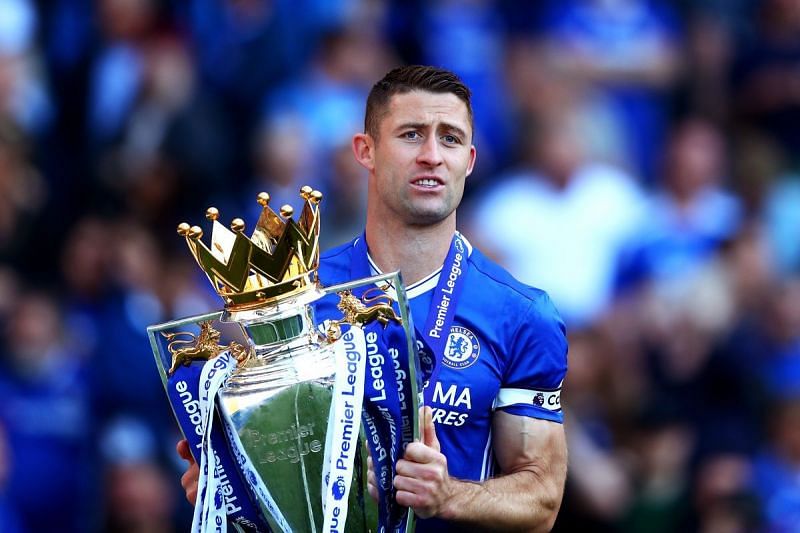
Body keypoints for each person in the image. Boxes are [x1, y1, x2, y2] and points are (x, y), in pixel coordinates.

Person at [177, 65, 568, 531]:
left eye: (450, 138)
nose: (431, 155)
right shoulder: (291, 299)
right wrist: (232, 486)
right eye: (411, 134)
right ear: (366, 150)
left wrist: (448, 496)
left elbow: (542, 498)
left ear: (470, 159)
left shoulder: (521, 314)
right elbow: (270, 455)